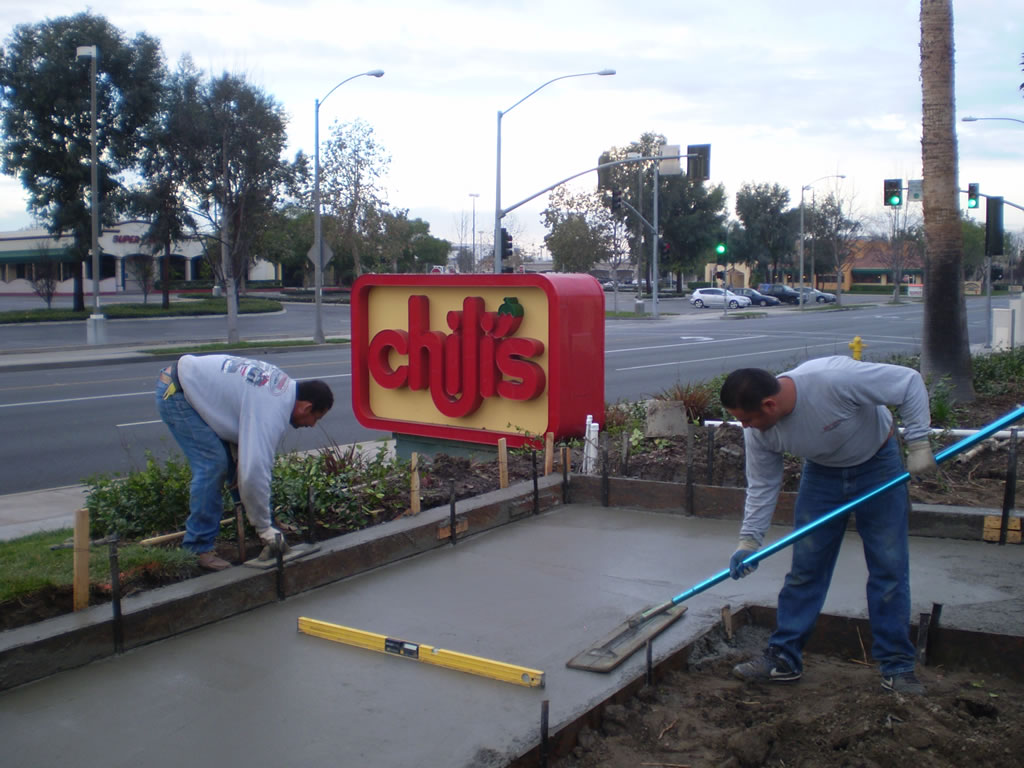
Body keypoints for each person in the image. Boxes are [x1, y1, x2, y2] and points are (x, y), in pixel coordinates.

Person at [719, 356, 937, 695]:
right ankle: (784, 658)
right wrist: (749, 541)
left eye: (747, 419)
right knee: (806, 570)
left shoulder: (833, 381)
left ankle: (897, 667)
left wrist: (919, 441)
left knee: (889, 569)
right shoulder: (759, 432)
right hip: (822, 476)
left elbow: (908, 382)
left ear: (770, 403)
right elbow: (762, 485)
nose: (745, 427)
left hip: (877, 464)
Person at [155, 354, 334, 571]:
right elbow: (254, 472)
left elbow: (247, 462)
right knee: (213, 465)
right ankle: (197, 548)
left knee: (236, 464)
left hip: (193, 388)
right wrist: (265, 527)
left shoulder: (282, 390)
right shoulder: (272, 410)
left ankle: (261, 528)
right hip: (179, 393)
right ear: (306, 407)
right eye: (316, 418)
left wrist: (265, 519)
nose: (313, 425)